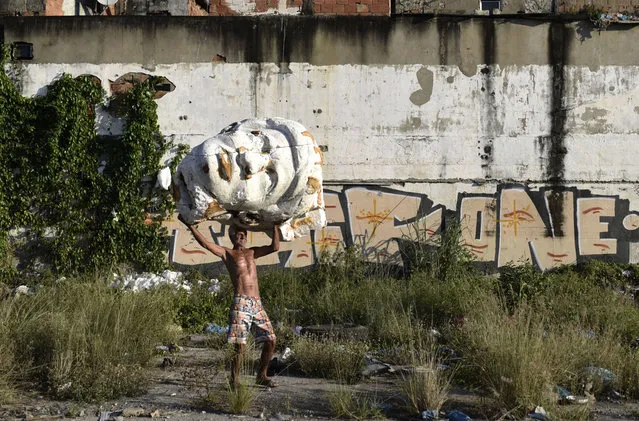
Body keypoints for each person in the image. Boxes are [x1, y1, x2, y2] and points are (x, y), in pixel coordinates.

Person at [179, 214, 280, 389]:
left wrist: (275, 225)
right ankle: (234, 380)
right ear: (231, 236)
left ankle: (261, 375)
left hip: (256, 302)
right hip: (240, 302)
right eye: (237, 235)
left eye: (243, 236)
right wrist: (190, 225)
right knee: (239, 345)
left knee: (271, 339)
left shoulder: (253, 252)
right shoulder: (227, 253)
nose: (240, 238)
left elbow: (275, 247)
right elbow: (205, 244)